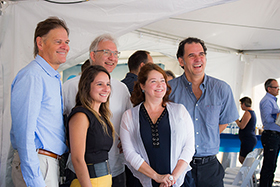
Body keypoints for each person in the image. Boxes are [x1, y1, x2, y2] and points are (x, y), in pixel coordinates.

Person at [168, 37, 239, 187]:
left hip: (210, 167)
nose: (198, 59)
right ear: (181, 61)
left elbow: (224, 121)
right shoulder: (169, 90)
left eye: (201, 54)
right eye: (191, 55)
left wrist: (206, 135)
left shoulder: (221, 89)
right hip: (178, 166)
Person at [64, 34, 131, 187]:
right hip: (82, 173)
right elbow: (57, 122)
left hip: (113, 169)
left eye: (115, 54)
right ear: (92, 55)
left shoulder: (121, 88)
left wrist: (127, 139)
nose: (112, 57)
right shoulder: (69, 86)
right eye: (107, 52)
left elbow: (129, 121)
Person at [10, 17, 69, 187]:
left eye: (66, 41)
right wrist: (35, 179)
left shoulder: (51, 76)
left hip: (48, 163)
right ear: (40, 43)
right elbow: (24, 133)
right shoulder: (33, 76)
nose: (65, 46)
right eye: (58, 41)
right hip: (37, 164)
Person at [120, 63, 195, 187]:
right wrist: (157, 177)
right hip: (142, 181)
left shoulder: (179, 111)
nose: (160, 85)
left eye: (162, 80)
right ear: (142, 86)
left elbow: (189, 147)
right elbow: (129, 153)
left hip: (178, 181)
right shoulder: (129, 116)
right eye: (154, 81)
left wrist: (172, 178)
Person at [68, 65, 115, 187]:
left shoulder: (102, 116)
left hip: (104, 181)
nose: (106, 89)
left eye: (108, 84)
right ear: (87, 86)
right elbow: (77, 159)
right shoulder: (81, 115)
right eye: (100, 84)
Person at [259, 79, 280, 187]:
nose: (278, 89)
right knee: (269, 165)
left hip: (275, 135)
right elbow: (267, 119)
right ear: (269, 89)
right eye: (276, 87)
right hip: (271, 135)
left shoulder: (272, 101)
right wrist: (277, 116)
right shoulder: (267, 101)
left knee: (272, 165)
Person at [235, 97, 257, 164]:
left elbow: (242, 126)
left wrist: (236, 120)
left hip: (248, 139)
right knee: (243, 159)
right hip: (248, 139)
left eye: (241, 104)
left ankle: (249, 173)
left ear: (244, 104)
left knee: (243, 159)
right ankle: (249, 173)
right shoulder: (252, 112)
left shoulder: (248, 113)